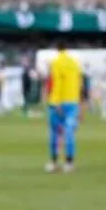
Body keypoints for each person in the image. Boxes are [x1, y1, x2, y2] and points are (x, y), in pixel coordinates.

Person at [45, 43, 84, 173]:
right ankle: (69, 162)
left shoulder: (56, 62)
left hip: (58, 102)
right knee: (69, 132)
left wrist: (56, 102)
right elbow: (79, 83)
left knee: (55, 133)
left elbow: (57, 82)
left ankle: (54, 161)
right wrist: (80, 103)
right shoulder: (75, 63)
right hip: (73, 101)